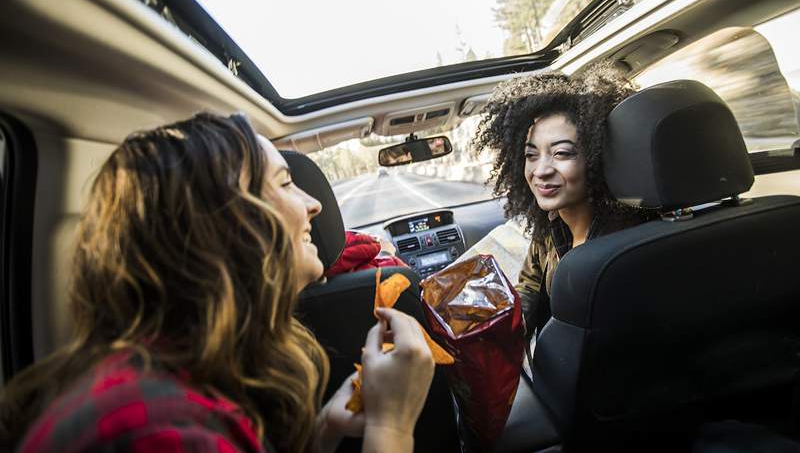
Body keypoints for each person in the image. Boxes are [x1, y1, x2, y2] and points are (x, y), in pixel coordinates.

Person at [0, 113, 435, 452]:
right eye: (286, 182)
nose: (315, 204)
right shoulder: (157, 430)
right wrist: (390, 425)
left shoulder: (174, 386)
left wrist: (322, 432)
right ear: (227, 223)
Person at [472, 63, 656, 339]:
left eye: (561, 153)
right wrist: (510, 322)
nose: (541, 170)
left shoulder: (622, 249)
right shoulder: (549, 223)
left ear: (595, 158)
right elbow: (532, 283)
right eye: (531, 155)